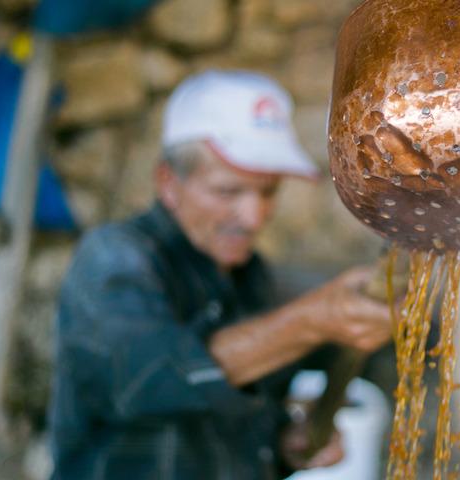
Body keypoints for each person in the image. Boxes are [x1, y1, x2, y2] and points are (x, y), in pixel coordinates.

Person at [48, 71, 393, 479]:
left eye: (268, 192)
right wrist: (312, 320)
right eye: (228, 191)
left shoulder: (249, 275)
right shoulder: (115, 257)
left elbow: (237, 416)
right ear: (168, 182)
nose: (253, 218)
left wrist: (282, 442)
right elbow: (145, 381)